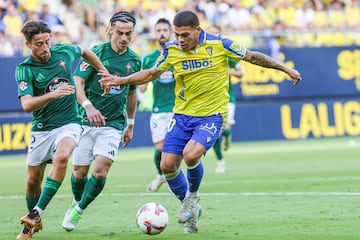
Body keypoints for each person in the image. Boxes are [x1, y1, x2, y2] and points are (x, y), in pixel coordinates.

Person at [98, 10, 301, 234]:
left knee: (191, 154)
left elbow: (252, 56)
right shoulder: (172, 49)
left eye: (185, 35)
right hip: (182, 115)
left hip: (212, 115)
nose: (180, 40)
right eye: (177, 35)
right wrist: (122, 80)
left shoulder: (220, 44)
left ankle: (192, 198)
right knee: (167, 167)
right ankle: (193, 214)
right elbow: (151, 74)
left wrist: (286, 68)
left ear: (198, 30)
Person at [15, 20, 108, 240]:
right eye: (39, 44)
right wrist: (52, 95)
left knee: (63, 156)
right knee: (32, 182)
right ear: (28, 44)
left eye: (47, 41)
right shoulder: (25, 69)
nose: (45, 48)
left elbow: (85, 51)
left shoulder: (63, 51)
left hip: (70, 122)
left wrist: (102, 71)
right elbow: (27, 105)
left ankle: (35, 215)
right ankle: (34, 221)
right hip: (42, 128)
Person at [61, 11, 140, 232]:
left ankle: (79, 209)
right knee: (78, 174)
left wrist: (130, 123)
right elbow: (77, 82)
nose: (124, 38)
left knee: (100, 172)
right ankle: (79, 201)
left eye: (128, 34)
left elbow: (132, 93)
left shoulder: (134, 60)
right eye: (119, 33)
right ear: (109, 30)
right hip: (85, 121)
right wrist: (88, 106)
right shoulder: (96, 53)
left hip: (113, 124)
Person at [141, 18, 175, 192]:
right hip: (158, 109)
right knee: (160, 147)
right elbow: (142, 85)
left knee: (176, 148)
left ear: (171, 32)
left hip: (177, 109)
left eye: (165, 30)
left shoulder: (177, 55)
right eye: (158, 30)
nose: (162, 33)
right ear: (155, 33)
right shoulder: (149, 59)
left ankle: (172, 178)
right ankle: (162, 175)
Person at [207, 24, 243, 174]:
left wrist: (229, 71)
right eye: (211, 34)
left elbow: (240, 74)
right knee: (215, 133)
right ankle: (220, 161)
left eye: (216, 34)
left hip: (227, 97)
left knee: (225, 128)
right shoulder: (203, 55)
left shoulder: (226, 56)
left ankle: (227, 136)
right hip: (211, 99)